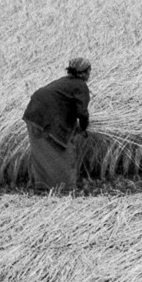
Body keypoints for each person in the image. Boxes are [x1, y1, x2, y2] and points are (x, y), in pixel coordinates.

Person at [22, 57, 91, 190]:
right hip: (45, 119)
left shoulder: (64, 82)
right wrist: (83, 128)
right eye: (89, 71)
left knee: (43, 155)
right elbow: (82, 112)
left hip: (33, 114)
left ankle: (44, 186)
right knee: (64, 154)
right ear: (85, 72)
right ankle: (65, 188)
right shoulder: (80, 86)